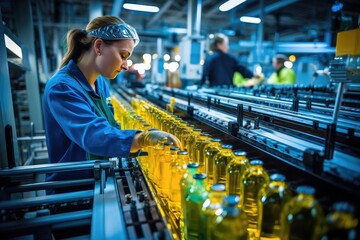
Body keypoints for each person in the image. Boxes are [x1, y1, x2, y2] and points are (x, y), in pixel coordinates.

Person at [43, 16, 181, 194]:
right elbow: (93, 135)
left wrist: (141, 148)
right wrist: (140, 139)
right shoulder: (62, 88)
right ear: (99, 46)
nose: (125, 65)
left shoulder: (100, 84)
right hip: (73, 190)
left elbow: (110, 126)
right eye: (123, 55)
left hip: (99, 177)